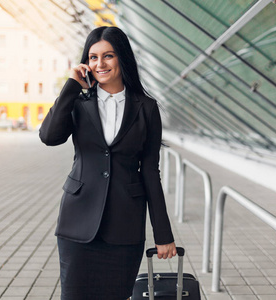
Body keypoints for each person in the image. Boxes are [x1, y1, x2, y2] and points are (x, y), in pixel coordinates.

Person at [39, 26, 176, 300]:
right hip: (77, 224)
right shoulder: (78, 103)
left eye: (108, 56)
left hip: (125, 227)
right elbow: (49, 136)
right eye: (93, 57)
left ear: (122, 58)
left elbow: (150, 171)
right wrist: (71, 86)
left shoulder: (146, 108)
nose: (100, 64)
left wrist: (163, 233)